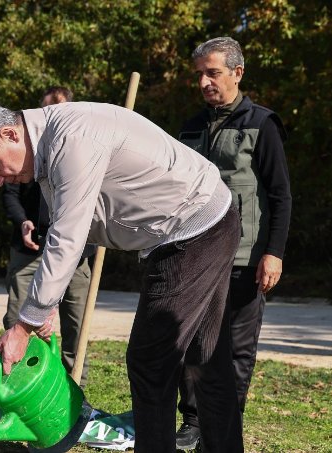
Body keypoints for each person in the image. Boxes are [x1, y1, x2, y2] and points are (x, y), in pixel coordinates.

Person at [0, 102, 243, 452]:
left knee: (150, 361)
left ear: (10, 134)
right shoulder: (48, 149)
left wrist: (24, 325)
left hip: (192, 229)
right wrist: (43, 309)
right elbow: (76, 232)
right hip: (201, 222)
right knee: (206, 359)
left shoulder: (71, 138)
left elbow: (68, 236)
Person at [174, 37, 292, 450]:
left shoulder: (262, 124)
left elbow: (280, 196)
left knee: (237, 351)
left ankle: (224, 425)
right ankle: (192, 421)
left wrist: (273, 253)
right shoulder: (189, 126)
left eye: (214, 73)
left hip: (245, 258)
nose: (205, 82)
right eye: (200, 75)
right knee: (192, 344)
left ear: (237, 73)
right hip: (196, 257)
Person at [2, 85, 91, 385]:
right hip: (29, 249)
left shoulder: (82, 148)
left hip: (77, 253)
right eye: (45, 110)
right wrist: (22, 221)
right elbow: (9, 193)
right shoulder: (24, 152)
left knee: (76, 323)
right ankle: (20, 384)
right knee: (18, 317)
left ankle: (73, 389)